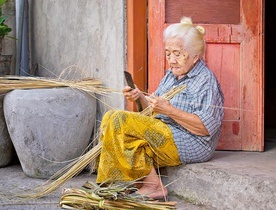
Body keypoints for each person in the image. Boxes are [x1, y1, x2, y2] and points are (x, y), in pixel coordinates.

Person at [96, 17, 224, 200]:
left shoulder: (205, 81)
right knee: (110, 117)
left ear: (195, 56)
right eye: (168, 53)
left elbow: (204, 129)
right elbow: (152, 110)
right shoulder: (171, 75)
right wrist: (139, 97)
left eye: (178, 54)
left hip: (192, 141)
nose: (171, 60)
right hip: (166, 131)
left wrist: (170, 110)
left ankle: (147, 185)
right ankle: (131, 184)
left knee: (120, 121)